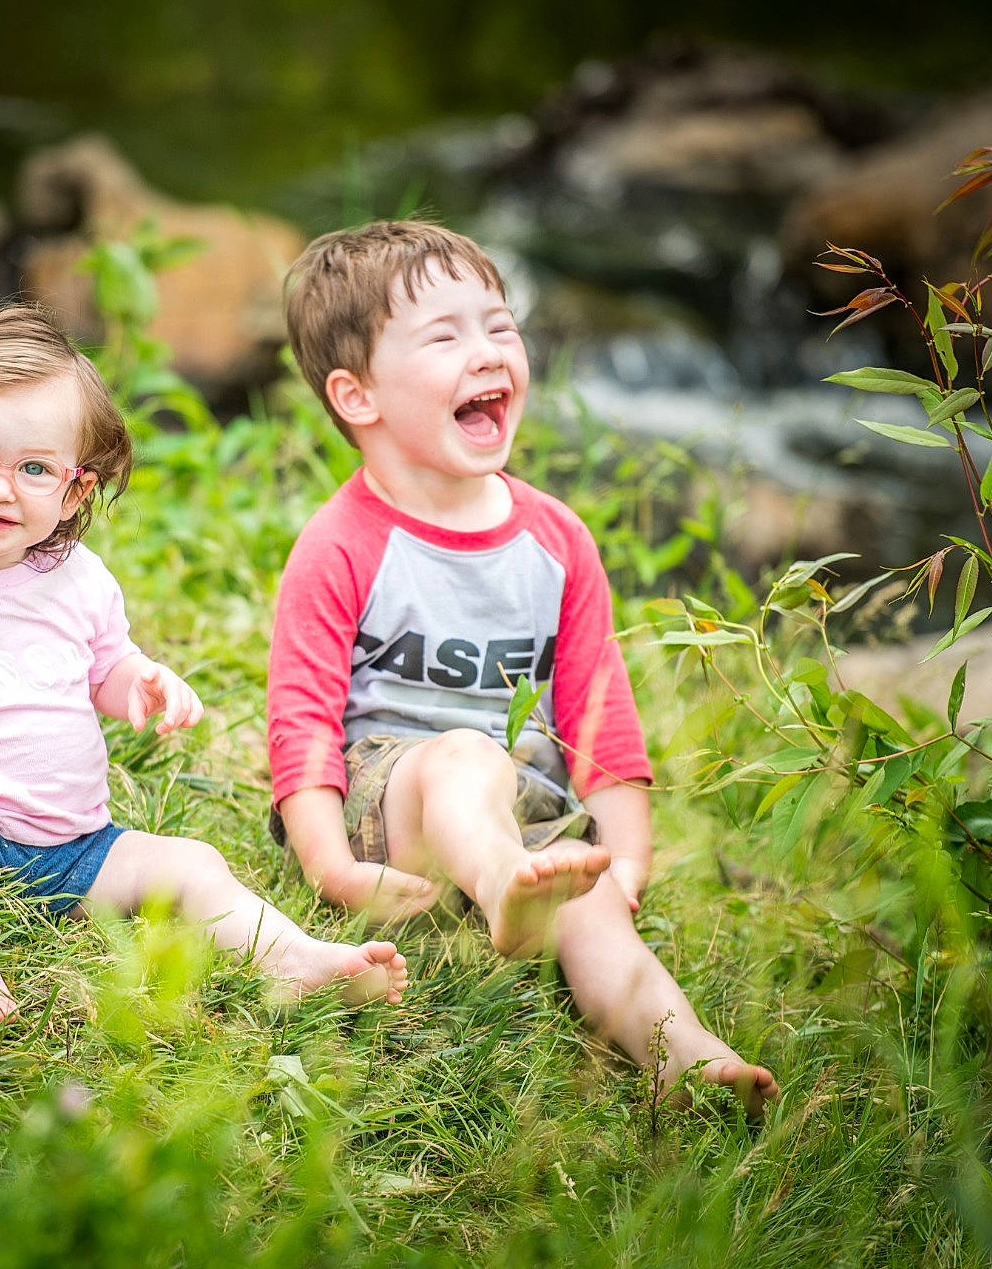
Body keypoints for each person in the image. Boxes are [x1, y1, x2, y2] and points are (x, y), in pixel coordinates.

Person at [0, 306, 408, 1025]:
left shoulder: (78, 579)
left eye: (32, 469)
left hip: (77, 849)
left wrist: (138, 681)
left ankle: (296, 957)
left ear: (75, 489)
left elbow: (104, 668)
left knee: (194, 862)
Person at [266, 222, 777, 1110]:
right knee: (468, 756)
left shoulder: (555, 541)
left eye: (500, 326)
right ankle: (501, 878)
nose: (488, 352)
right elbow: (302, 720)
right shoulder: (343, 544)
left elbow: (597, 712)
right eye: (446, 336)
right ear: (358, 396)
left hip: (529, 818)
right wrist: (328, 865)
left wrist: (624, 859)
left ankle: (684, 1056)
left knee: (597, 914)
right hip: (391, 806)